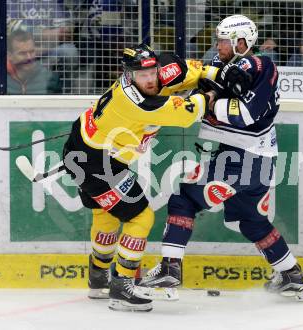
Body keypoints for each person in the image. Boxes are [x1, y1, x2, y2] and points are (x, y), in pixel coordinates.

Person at [61, 43, 246, 312]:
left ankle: (98, 276)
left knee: (107, 214)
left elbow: (192, 70)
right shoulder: (137, 102)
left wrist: (217, 73)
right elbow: (189, 112)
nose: (149, 79)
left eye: (152, 71)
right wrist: (216, 90)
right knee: (141, 216)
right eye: (141, 75)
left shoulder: (156, 76)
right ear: (127, 74)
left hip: (83, 149)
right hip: (96, 164)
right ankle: (122, 285)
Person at [138, 15, 303, 302]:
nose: (217, 45)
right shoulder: (221, 64)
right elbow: (197, 91)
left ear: (241, 42)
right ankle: (290, 274)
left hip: (245, 157)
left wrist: (212, 100)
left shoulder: (263, 66)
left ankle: (170, 267)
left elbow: (245, 115)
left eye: (223, 41)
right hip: (253, 159)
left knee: (184, 199)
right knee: (249, 219)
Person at [7, 0, 79, 92]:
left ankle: (63, 96)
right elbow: (10, 27)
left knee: (69, 51)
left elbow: (64, 33)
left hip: (49, 48)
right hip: (19, 49)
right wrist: (44, 34)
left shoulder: (55, 2)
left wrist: (44, 46)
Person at [0, 30, 62, 94]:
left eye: (32, 52)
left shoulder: (49, 78)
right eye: (22, 53)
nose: (29, 57)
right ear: (9, 56)